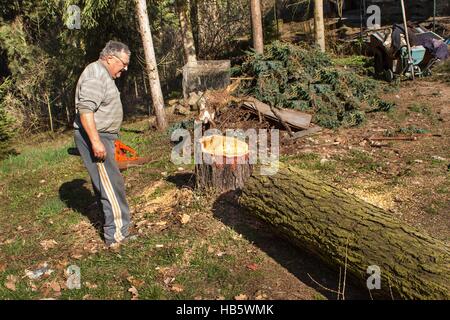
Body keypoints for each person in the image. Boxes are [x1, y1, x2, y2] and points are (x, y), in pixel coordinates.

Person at [73, 40, 132, 247]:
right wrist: (96, 142)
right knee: (111, 187)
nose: (125, 68)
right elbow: (85, 110)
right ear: (110, 58)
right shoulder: (96, 75)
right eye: (123, 63)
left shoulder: (102, 74)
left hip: (103, 136)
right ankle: (117, 236)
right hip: (96, 136)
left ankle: (116, 230)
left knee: (108, 183)